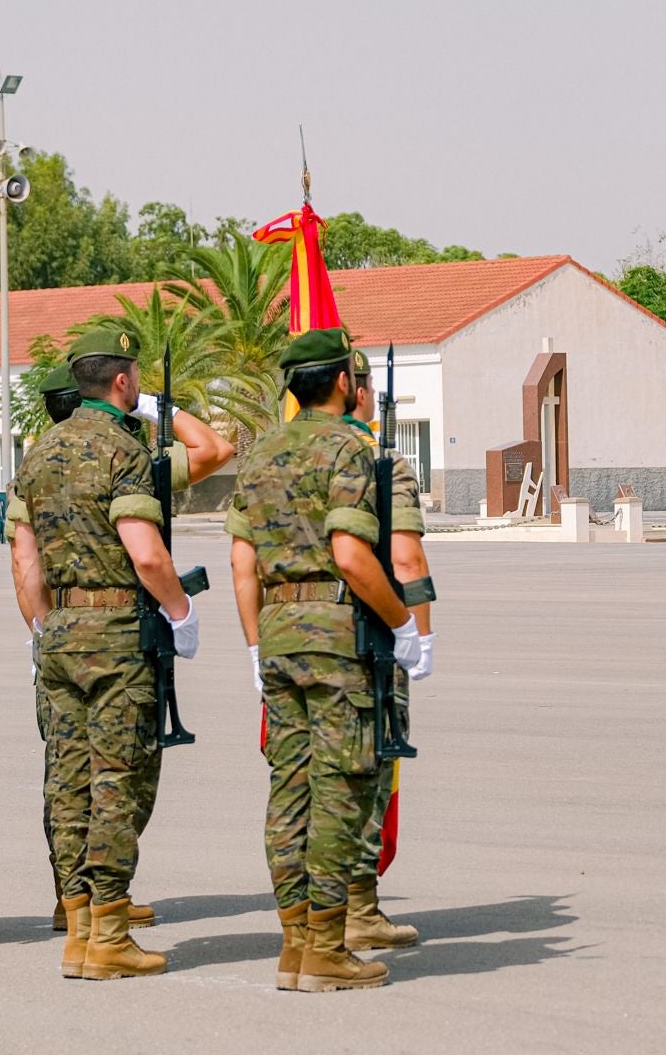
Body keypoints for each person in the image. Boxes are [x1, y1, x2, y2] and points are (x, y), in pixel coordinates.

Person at [225, 327, 422, 993]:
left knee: (290, 790)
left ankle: (295, 944)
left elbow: (243, 563)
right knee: (340, 789)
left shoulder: (259, 454)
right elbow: (351, 554)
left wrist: (256, 643)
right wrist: (403, 625)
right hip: (338, 636)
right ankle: (328, 949)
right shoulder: (353, 449)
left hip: (278, 632)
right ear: (343, 381)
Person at [8, 362, 234, 933]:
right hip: (117, 632)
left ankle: (74, 903)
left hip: (59, 629)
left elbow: (24, 563)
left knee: (67, 775)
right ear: (118, 385)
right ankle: (106, 912)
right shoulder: (130, 456)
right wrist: (181, 612)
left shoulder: (35, 462)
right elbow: (214, 452)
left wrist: (44, 629)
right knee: (120, 774)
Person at [341, 349, 434, 950]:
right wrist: (419, 633)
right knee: (367, 772)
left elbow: (245, 561)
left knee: (303, 782)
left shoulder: (272, 456)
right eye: (370, 384)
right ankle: (356, 910)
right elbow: (406, 560)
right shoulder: (379, 461)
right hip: (365, 636)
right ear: (352, 388)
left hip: (288, 639)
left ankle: (305, 918)